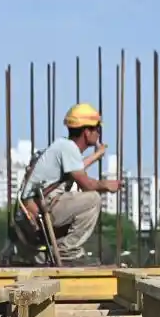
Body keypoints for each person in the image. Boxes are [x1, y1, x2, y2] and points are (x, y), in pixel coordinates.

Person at [17, 102, 121, 265]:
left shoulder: (64, 147)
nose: (99, 133)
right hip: (42, 209)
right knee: (92, 199)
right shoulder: (68, 148)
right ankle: (67, 251)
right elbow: (85, 183)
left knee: (84, 198)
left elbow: (76, 168)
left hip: (36, 209)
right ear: (87, 132)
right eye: (97, 129)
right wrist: (105, 185)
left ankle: (59, 250)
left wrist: (96, 155)